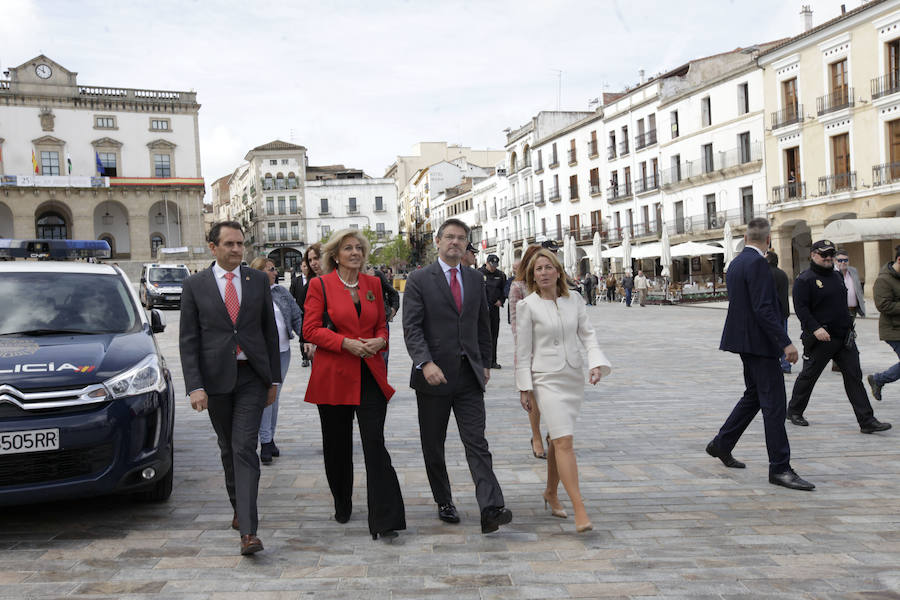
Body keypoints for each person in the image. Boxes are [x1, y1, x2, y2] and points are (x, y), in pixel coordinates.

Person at [402, 218, 513, 534]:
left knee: (477, 442)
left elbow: (482, 325)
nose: (455, 242)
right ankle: (444, 500)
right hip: (433, 377)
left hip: (468, 376)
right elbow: (412, 328)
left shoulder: (474, 278)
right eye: (449, 237)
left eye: (461, 238)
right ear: (437, 241)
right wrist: (425, 362)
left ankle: (490, 507)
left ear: (467, 244)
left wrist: (486, 362)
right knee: (433, 444)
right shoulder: (419, 279)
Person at [179, 221, 282, 555]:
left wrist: (274, 379)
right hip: (216, 380)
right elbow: (189, 340)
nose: (237, 250)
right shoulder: (195, 285)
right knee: (228, 448)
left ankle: (249, 532)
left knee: (243, 447)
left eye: (240, 244)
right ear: (213, 247)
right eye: (229, 244)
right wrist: (195, 385)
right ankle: (239, 506)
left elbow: (269, 333)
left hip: (252, 375)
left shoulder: (256, 282)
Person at [303, 228, 406, 541]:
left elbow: (381, 325)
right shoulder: (320, 285)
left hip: (370, 374)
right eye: (348, 248)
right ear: (335, 255)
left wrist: (379, 341)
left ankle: (386, 518)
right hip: (334, 375)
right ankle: (342, 500)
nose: (355, 253)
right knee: (337, 446)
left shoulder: (373, 284)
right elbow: (310, 330)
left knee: (374, 442)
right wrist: (345, 343)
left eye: (359, 248)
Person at [706, 218, 814, 491]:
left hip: (744, 341)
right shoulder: (757, 264)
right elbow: (764, 308)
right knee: (775, 406)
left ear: (745, 236)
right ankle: (780, 467)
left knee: (754, 395)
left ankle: (722, 443)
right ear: (768, 241)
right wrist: (785, 343)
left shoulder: (737, 263)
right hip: (760, 345)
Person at [515, 248, 610, 533]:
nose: (543, 273)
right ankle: (580, 509)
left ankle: (551, 492)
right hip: (545, 379)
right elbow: (522, 351)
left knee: (558, 440)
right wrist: (524, 388)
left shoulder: (575, 300)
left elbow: (588, 335)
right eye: (537, 270)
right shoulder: (527, 306)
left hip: (572, 377)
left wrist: (596, 364)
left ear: (558, 271)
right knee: (565, 441)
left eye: (547, 267)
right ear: (532, 276)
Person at [787, 240, 891, 434]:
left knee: (854, 377)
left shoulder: (836, 276)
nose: (828, 258)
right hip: (821, 338)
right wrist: (815, 328)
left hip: (844, 338)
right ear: (813, 255)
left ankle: (866, 420)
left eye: (830, 254)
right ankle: (794, 410)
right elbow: (801, 309)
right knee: (809, 376)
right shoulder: (805, 279)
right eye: (823, 254)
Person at [250, 257, 302, 465]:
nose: (275, 273)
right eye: (271, 269)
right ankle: (265, 441)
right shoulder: (251, 294)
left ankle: (269, 438)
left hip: (283, 352)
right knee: (266, 396)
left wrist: (307, 339)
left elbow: (297, 316)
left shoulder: (281, 292)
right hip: (262, 355)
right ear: (259, 272)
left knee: (275, 396)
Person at [508, 244, 546, 461]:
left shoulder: (551, 285)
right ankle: (536, 436)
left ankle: (554, 434)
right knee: (533, 397)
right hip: (529, 349)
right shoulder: (518, 287)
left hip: (552, 350)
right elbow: (516, 324)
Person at [868, 245, 900, 402]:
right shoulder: (884, 280)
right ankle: (879, 379)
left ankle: (879, 379)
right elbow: (883, 305)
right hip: (894, 330)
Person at [832, 250, 866, 372]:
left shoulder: (853, 271)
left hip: (852, 309)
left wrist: (861, 303)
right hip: (838, 310)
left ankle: (843, 361)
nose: (843, 263)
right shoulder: (832, 273)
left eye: (845, 260)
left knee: (849, 335)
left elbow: (857, 287)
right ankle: (838, 362)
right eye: (840, 260)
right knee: (841, 335)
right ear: (835, 261)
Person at [292, 243, 324, 368]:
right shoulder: (310, 285)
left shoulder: (340, 279)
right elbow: (303, 314)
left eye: (316, 258)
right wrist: (305, 340)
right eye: (310, 260)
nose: (313, 263)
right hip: (318, 338)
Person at [478, 254, 507, 369]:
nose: (493, 267)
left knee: (494, 335)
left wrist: (501, 300)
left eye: (495, 265)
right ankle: (482, 360)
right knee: (482, 335)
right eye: (491, 265)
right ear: (487, 263)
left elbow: (504, 290)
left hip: (494, 309)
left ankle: (492, 361)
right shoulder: (479, 273)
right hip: (481, 310)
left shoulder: (500, 275)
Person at [367, 265, 400, 368]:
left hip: (381, 323)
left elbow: (393, 293)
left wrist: (392, 310)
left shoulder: (376, 274)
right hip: (361, 325)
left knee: (382, 359)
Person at [766, 251, 792, 374]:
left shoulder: (766, 274)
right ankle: (786, 364)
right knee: (783, 337)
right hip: (784, 311)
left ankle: (775, 364)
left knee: (772, 339)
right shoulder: (782, 274)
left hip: (772, 312)